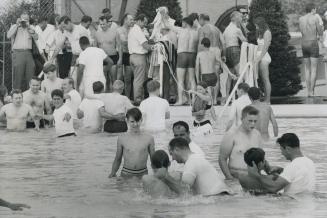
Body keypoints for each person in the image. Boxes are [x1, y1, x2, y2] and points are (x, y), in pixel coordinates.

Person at [154, 137, 229, 196]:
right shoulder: (196, 158)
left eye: (171, 154)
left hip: (216, 198)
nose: (172, 158)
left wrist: (165, 177)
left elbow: (184, 192)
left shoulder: (191, 162)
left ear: (176, 150)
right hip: (221, 197)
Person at [247, 133, 315, 195]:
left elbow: (274, 188)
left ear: (288, 149)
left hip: (293, 205)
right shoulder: (309, 162)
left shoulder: (293, 166)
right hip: (307, 202)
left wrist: (257, 176)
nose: (282, 153)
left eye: (282, 150)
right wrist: (281, 170)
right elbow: (297, 175)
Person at [108, 108, 155, 178]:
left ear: (141, 120)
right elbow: (118, 159)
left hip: (143, 174)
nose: (135, 124)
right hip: (126, 174)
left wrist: (157, 174)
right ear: (127, 121)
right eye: (132, 122)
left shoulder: (149, 138)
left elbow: (153, 159)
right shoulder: (122, 138)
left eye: (137, 121)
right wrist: (113, 173)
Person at [219, 105, 262, 180]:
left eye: (255, 121)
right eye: (250, 121)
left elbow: (260, 159)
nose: (253, 124)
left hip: (253, 178)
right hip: (235, 178)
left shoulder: (257, 134)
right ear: (242, 119)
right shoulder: (231, 134)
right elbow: (222, 158)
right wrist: (229, 178)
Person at [168, 17, 199, 105]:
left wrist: (162, 15)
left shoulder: (181, 30)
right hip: (192, 54)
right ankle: (193, 100)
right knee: (192, 79)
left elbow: (167, 25)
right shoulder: (196, 32)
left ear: (185, 23)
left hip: (182, 54)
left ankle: (181, 100)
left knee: (180, 79)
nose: (181, 24)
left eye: (182, 22)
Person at [198, 14, 226, 104]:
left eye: (199, 20)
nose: (199, 22)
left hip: (208, 51)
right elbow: (223, 43)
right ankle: (214, 99)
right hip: (217, 50)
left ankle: (208, 99)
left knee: (207, 75)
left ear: (202, 19)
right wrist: (223, 54)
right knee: (216, 77)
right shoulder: (216, 29)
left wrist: (199, 55)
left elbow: (201, 44)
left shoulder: (203, 28)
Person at [7, 13, 38, 91]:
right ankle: (16, 94)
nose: (24, 21)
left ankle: (30, 94)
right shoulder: (15, 26)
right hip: (18, 53)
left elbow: (36, 37)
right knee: (18, 76)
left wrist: (28, 28)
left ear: (28, 20)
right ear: (19, 19)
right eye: (23, 19)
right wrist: (17, 25)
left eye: (26, 19)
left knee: (30, 74)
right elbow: (8, 35)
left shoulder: (31, 27)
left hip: (28, 53)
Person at [128, 14, 154, 105]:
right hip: (139, 57)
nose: (145, 25)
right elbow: (145, 46)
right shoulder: (137, 30)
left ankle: (141, 97)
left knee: (142, 77)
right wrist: (156, 47)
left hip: (133, 56)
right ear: (139, 21)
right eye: (144, 22)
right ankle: (137, 99)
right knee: (139, 79)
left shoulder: (134, 30)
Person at [299, 3, 324, 97]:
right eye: (315, 9)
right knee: (314, 69)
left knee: (307, 69)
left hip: (304, 43)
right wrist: (321, 27)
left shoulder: (300, 19)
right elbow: (320, 32)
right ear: (312, 9)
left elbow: (302, 32)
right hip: (313, 43)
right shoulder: (315, 18)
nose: (316, 11)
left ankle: (308, 91)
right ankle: (312, 92)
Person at [223, 11, 247, 100]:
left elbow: (223, 42)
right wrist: (243, 27)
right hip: (235, 50)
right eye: (240, 17)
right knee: (240, 74)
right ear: (235, 18)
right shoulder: (237, 29)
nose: (241, 19)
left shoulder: (226, 29)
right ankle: (242, 96)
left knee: (230, 76)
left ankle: (227, 97)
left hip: (227, 51)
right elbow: (245, 40)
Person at [94, 15, 120, 90]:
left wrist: (120, 58)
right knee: (104, 79)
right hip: (102, 59)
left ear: (108, 23)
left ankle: (115, 95)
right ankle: (105, 94)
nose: (102, 26)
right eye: (100, 24)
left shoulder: (115, 32)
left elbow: (120, 46)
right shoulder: (97, 33)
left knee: (113, 78)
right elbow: (95, 47)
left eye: (104, 24)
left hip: (113, 56)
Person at [253, 17, 272, 103]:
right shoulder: (260, 32)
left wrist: (259, 58)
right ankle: (263, 98)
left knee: (265, 79)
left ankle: (268, 100)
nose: (256, 27)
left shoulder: (267, 32)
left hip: (263, 57)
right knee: (259, 79)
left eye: (257, 25)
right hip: (258, 56)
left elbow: (265, 47)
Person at [117, 13, 134, 99]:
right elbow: (123, 42)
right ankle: (118, 97)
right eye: (131, 19)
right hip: (120, 54)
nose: (132, 21)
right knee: (119, 78)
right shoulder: (120, 30)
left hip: (128, 54)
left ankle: (127, 97)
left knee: (128, 78)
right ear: (125, 20)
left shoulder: (132, 29)